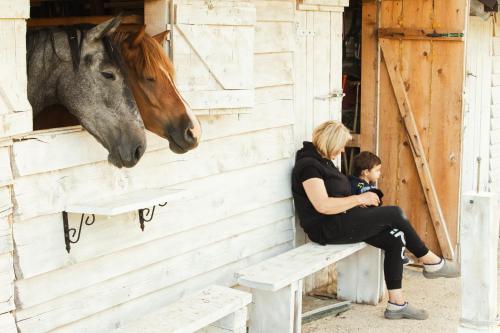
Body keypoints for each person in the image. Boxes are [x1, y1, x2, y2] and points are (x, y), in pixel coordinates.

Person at [291, 120, 459, 320]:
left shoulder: (323, 162)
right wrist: (359, 198)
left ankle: (397, 304)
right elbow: (323, 205)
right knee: (394, 213)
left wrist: (357, 202)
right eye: (341, 145)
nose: (343, 150)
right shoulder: (308, 166)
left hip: (342, 220)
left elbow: (336, 198)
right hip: (326, 228)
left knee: (393, 239)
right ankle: (430, 261)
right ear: (330, 142)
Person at [349, 151, 412, 265]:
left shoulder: (355, 183)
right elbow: (375, 203)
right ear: (366, 172)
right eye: (377, 170)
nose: (379, 173)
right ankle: (399, 256)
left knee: (397, 232)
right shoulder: (362, 186)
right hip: (364, 223)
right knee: (397, 229)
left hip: (361, 222)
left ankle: (399, 255)